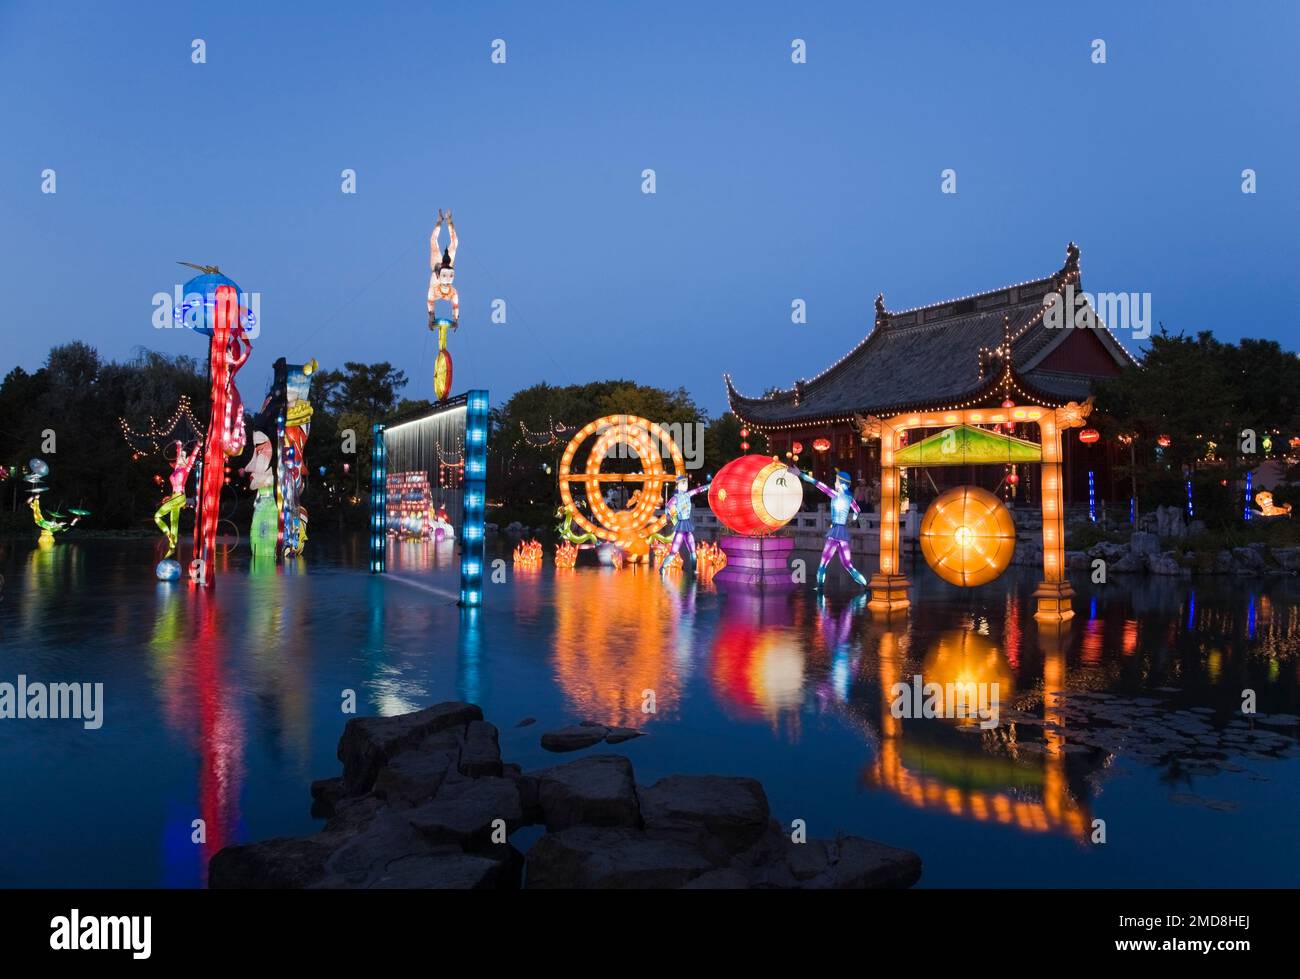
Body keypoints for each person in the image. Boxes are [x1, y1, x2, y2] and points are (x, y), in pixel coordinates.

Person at [793, 467, 867, 589]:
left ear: (842, 484)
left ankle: (820, 587)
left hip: (834, 533)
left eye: (836, 481)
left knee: (823, 563)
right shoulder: (850, 499)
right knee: (848, 565)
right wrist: (853, 518)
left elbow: (817, 484)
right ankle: (864, 584)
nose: (834, 483)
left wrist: (800, 474)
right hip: (843, 532)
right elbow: (857, 510)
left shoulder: (835, 495)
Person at [660, 475, 710, 577]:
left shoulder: (688, 494)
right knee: (674, 550)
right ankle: (663, 567)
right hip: (681, 525)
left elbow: (698, 490)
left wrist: (709, 486)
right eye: (683, 483)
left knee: (692, 549)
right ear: (678, 485)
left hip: (687, 524)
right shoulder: (675, 498)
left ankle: (694, 571)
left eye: (686, 483)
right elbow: (667, 508)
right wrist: (670, 517)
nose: (685, 485)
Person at [154, 441, 197, 555]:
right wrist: (178, 444)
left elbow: (193, 456)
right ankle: (172, 547)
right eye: (181, 456)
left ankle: (169, 536)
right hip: (175, 497)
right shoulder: (177, 467)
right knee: (174, 522)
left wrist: (199, 445)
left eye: (184, 457)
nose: (182, 458)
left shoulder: (186, 469)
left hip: (180, 497)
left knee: (157, 516)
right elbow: (178, 454)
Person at [428, 208, 459, 330]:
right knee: (434, 244)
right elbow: (433, 241)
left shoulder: (452, 291)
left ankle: (435, 317)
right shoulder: (434, 288)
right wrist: (439, 223)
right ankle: (432, 316)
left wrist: (450, 222)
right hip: (437, 276)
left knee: (454, 243)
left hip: (444, 276)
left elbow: (455, 242)